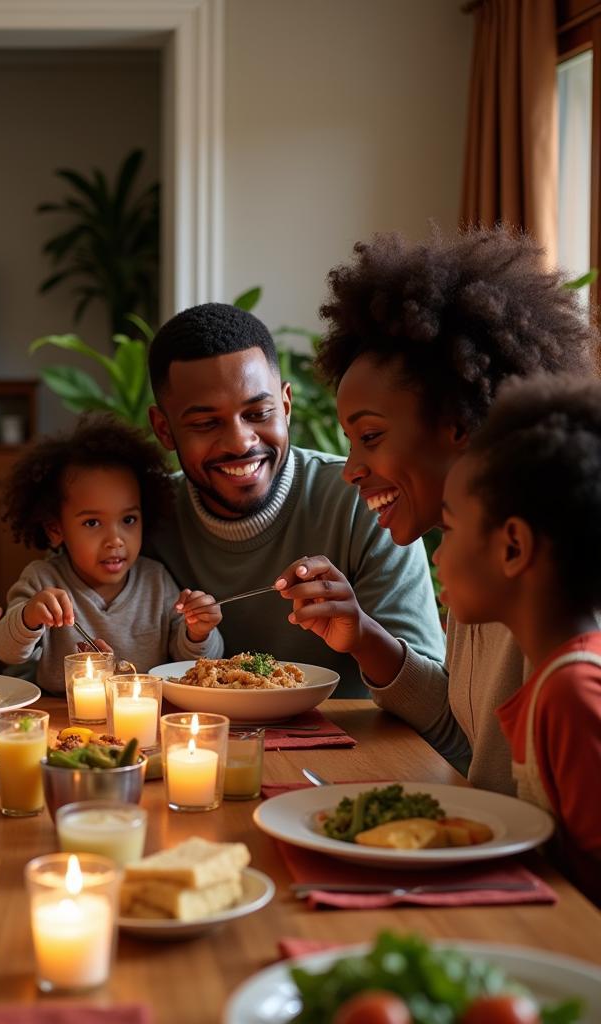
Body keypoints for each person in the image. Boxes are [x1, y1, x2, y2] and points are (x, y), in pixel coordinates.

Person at [275, 228, 598, 791]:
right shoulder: (478, 563)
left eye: (370, 436)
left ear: (458, 425)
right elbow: (472, 748)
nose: (351, 468)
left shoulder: (544, 585)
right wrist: (364, 638)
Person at [144, 302, 444, 698]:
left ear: (285, 406)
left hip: (354, 756)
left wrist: (361, 633)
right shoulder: (143, 520)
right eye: (205, 423)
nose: (240, 442)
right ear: (164, 430)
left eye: (258, 413)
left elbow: (434, 699)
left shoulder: (365, 500)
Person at [435, 375, 601, 902]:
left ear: (512, 547)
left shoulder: (575, 693)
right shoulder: (553, 679)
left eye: (449, 530)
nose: (437, 556)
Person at [0, 416, 223, 693]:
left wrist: (199, 632)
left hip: (143, 715)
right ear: (56, 529)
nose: (115, 540)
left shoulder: (156, 581)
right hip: (63, 715)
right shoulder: (43, 580)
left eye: (128, 520)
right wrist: (28, 617)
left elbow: (197, 663)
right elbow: (6, 652)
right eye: (92, 523)